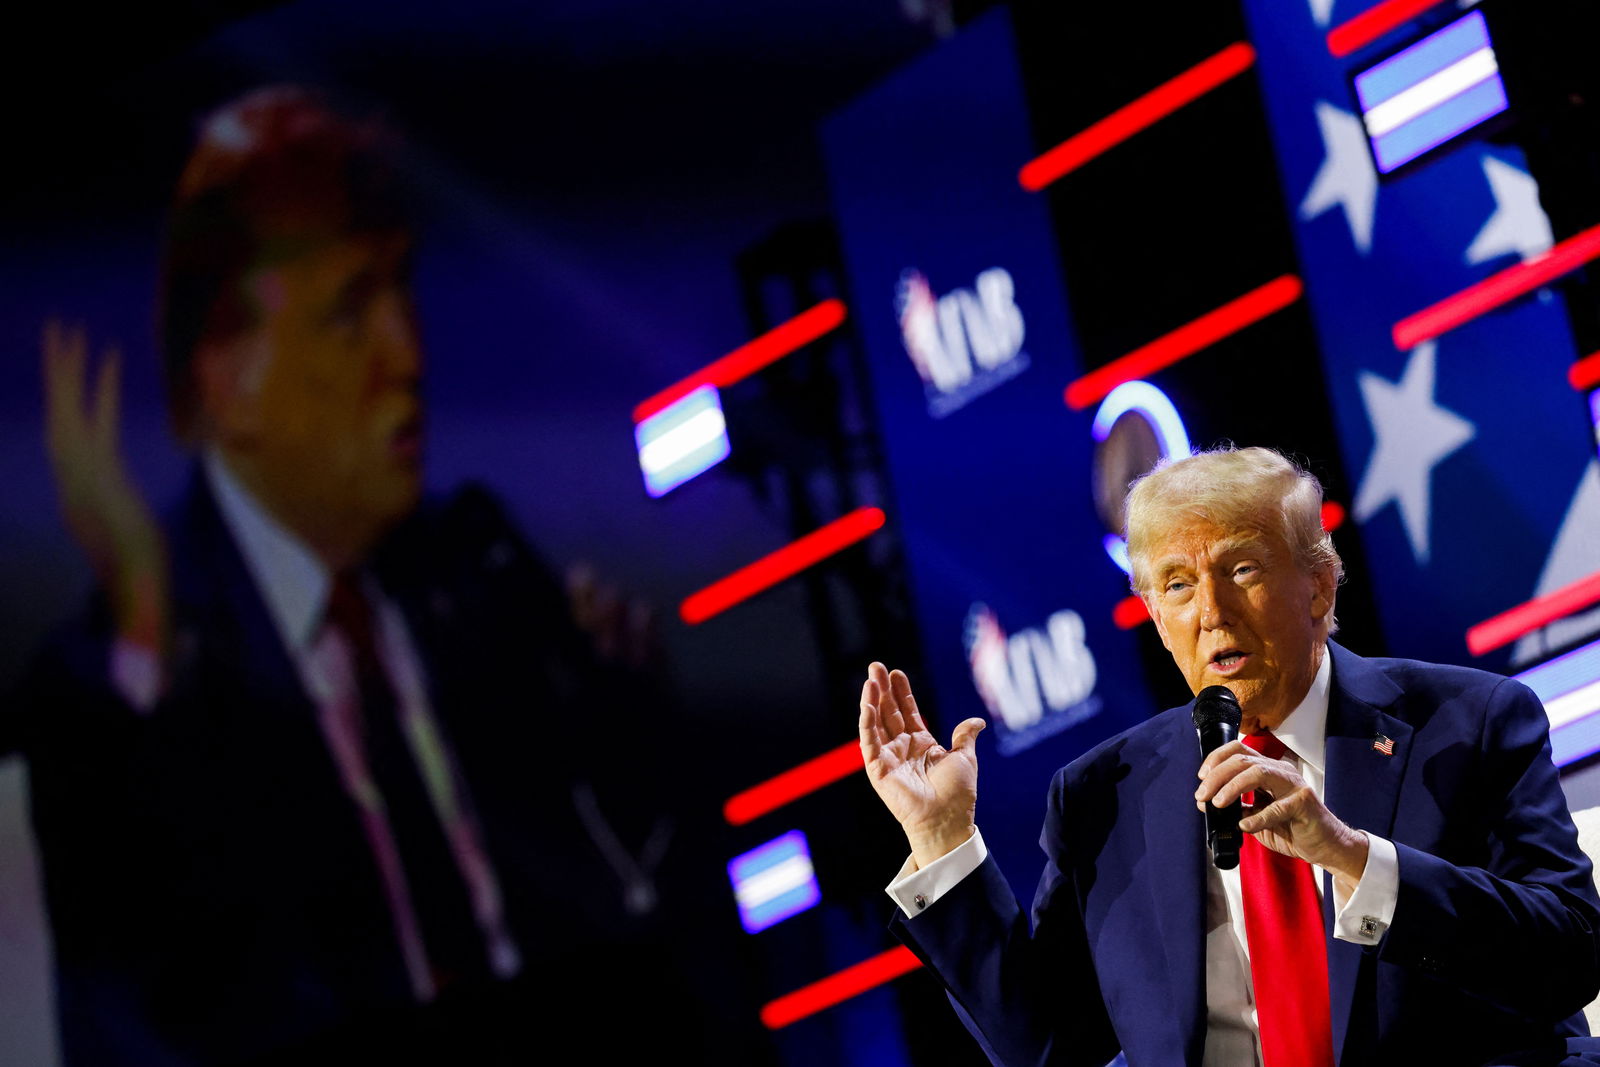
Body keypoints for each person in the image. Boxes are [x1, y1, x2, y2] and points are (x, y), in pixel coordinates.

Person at [14, 86, 683, 1064]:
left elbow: (626, 882)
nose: (407, 354)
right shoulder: (120, 675)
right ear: (224, 375)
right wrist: (145, 644)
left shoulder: (471, 562)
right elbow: (153, 992)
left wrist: (622, 717)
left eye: (400, 287)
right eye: (347, 312)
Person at [859, 446, 1600, 1066]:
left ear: (1318, 585)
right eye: (1178, 585)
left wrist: (1348, 854)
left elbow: (1571, 954)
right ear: (1155, 616)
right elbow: (1044, 1044)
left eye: (1241, 569)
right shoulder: (1102, 795)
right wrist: (941, 838)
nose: (1211, 611)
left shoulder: (1466, 723)